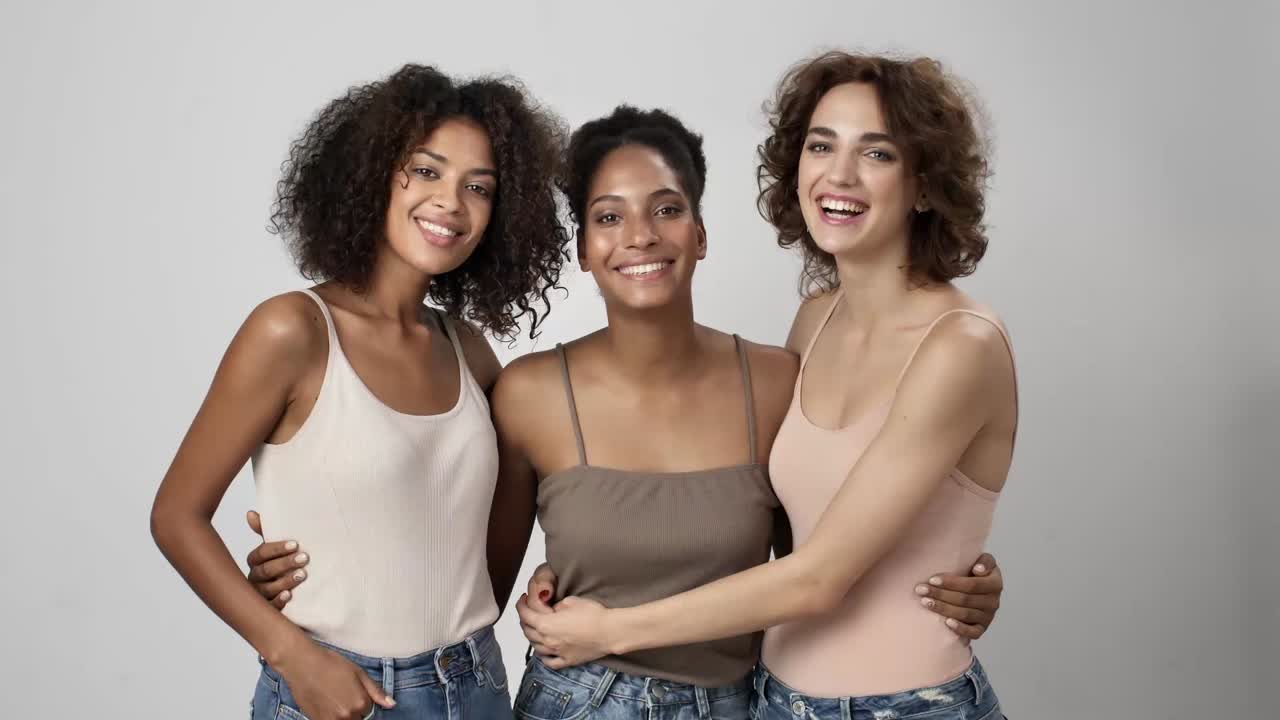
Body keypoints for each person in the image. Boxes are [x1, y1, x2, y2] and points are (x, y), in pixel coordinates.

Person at [517, 52, 1017, 720]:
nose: (839, 174)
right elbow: (780, 525)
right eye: (821, 145)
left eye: (877, 153)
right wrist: (582, 570)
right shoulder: (817, 321)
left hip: (905, 706)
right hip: (775, 700)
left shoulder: (962, 346)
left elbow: (820, 576)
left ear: (925, 183)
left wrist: (611, 629)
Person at [150, 64, 568, 720]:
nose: (450, 203)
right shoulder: (292, 330)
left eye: (479, 188)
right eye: (426, 171)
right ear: (372, 171)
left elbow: (489, 526)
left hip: (477, 682)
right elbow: (176, 516)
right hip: (339, 689)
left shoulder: (470, 352)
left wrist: (545, 580)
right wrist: (293, 654)